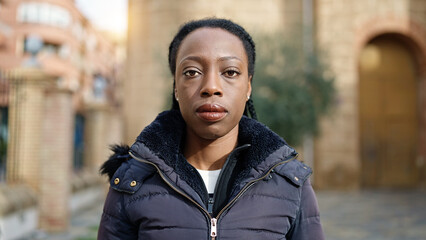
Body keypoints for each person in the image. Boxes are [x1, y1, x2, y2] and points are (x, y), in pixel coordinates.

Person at [98, 18, 325, 240]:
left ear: (248, 87)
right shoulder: (131, 183)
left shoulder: (291, 184)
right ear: (176, 88)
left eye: (230, 72)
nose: (211, 87)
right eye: (192, 72)